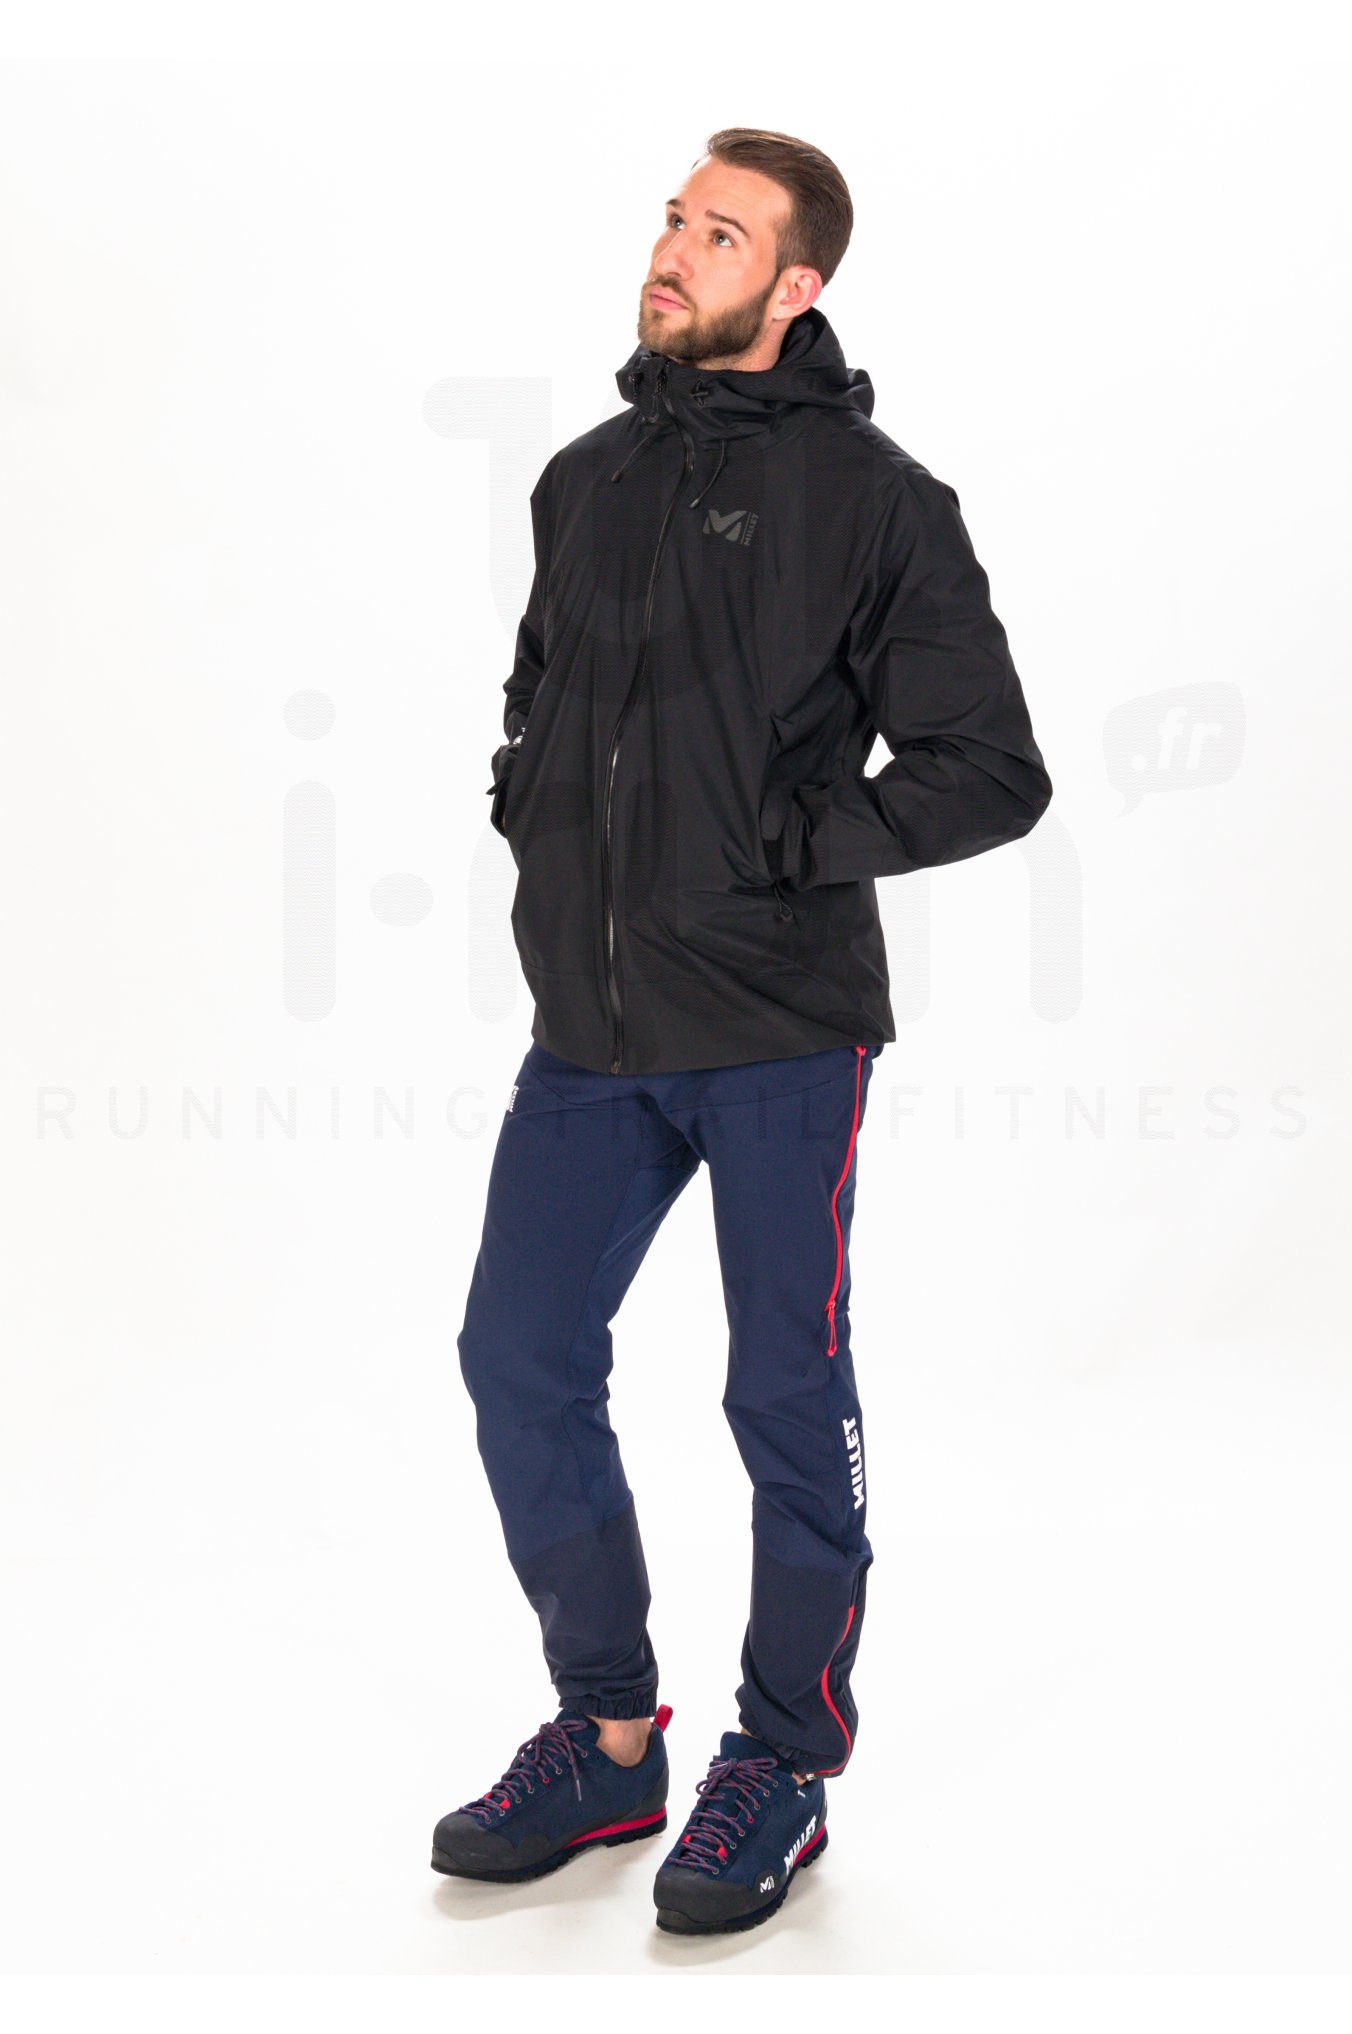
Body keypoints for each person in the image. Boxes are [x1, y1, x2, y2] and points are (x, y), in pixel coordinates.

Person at [431, 127, 1053, 1936]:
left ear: (797, 284)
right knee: (517, 1354)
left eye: (720, 232)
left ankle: (782, 1759)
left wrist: (788, 841)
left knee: (782, 1389)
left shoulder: (877, 501)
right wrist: (529, 800)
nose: (673, 248)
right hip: (591, 1028)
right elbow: (544, 693)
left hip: (781, 1026)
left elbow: (991, 768)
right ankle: (609, 1734)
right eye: (672, 218)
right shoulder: (583, 478)